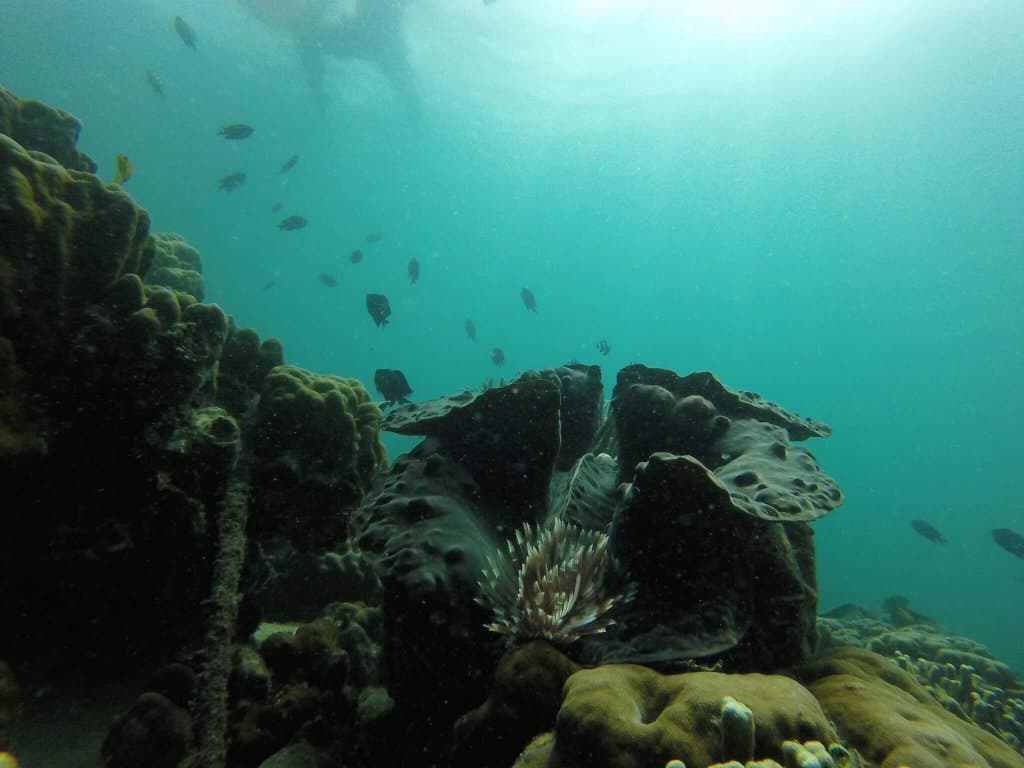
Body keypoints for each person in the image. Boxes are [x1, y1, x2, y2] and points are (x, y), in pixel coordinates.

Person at [238, 0, 420, 117]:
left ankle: (416, 119)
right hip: (369, 38)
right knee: (306, 35)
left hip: (375, 40)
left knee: (306, 35)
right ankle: (416, 120)